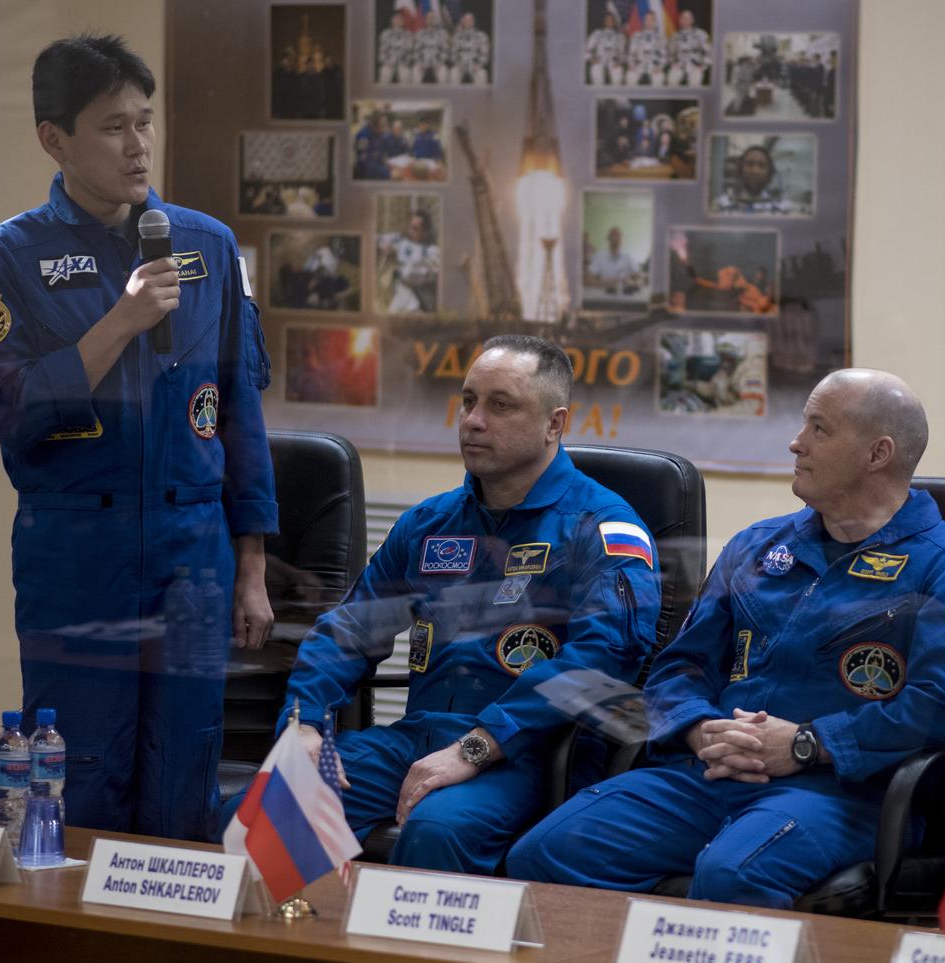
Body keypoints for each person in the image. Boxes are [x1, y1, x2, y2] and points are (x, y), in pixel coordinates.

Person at [509, 369, 945, 907]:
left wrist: (808, 744)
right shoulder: (757, 546)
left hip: (846, 792)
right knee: (544, 853)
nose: (796, 442)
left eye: (819, 428)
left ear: (877, 453)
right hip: (712, 771)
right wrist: (699, 729)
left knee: (733, 875)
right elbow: (680, 667)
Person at [0, 34, 277, 841]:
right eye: (112, 127)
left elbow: (239, 414)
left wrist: (251, 568)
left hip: (192, 548)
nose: (138, 145)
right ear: (54, 139)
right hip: (77, 548)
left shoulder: (206, 244)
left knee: (185, 764)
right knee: (81, 767)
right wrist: (122, 321)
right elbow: (17, 413)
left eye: (145, 121)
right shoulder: (3, 259)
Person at [232, 336, 661, 874]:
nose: (473, 421)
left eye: (500, 405)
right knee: (258, 816)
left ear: (555, 424)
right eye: (468, 401)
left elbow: (604, 659)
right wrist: (305, 720)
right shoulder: (429, 524)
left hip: (530, 753)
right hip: (419, 739)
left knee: (435, 830)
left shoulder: (600, 527)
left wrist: (477, 746)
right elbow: (350, 630)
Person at [378, 210, 441, 313]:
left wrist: (399, 262)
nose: (410, 231)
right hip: (401, 297)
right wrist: (384, 246)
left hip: (420, 305)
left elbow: (414, 274)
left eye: (415, 229)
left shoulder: (432, 251)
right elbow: (378, 239)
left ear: (425, 232)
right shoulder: (402, 240)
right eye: (410, 227)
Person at [715, 145, 793, 214]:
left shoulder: (782, 207)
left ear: (770, 173)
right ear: (740, 170)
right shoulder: (723, 204)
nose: (755, 171)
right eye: (750, 164)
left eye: (761, 165)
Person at [585, 226, 645, 298]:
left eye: (619, 236)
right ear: (608, 238)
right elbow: (588, 280)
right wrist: (609, 282)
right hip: (604, 296)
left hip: (626, 297)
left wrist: (633, 283)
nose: (616, 238)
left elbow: (641, 279)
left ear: (622, 239)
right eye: (613, 235)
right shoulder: (599, 256)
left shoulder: (628, 257)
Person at [666, 9, 711, 86]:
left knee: (695, 82)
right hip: (679, 66)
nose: (685, 21)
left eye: (687, 18)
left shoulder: (701, 34)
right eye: (683, 18)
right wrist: (672, 63)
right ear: (680, 20)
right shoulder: (675, 36)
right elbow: (670, 53)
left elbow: (709, 53)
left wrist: (703, 66)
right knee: (671, 80)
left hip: (695, 66)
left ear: (692, 20)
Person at [585, 10, 626, 86]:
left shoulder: (620, 36)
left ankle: (615, 93)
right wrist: (591, 59)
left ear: (614, 22)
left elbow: (622, 53)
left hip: (613, 60)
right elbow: (587, 49)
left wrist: (619, 62)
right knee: (595, 70)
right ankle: (599, 93)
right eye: (607, 20)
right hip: (599, 59)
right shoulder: (597, 33)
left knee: (618, 71)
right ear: (604, 22)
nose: (609, 22)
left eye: (611, 20)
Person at [625, 10, 666, 86]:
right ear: (644, 21)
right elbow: (631, 54)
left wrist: (659, 67)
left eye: (651, 20)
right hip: (638, 66)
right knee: (631, 76)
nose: (649, 22)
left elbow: (664, 55)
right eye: (647, 19)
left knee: (658, 78)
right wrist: (632, 65)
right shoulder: (637, 36)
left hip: (654, 66)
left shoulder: (660, 37)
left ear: (655, 22)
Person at [450, 12, 491, 84]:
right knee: (453, 72)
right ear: (463, 22)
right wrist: (457, 64)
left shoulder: (481, 35)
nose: (468, 22)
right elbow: (453, 53)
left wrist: (479, 64)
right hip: (461, 65)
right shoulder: (457, 36)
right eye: (466, 20)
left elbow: (485, 54)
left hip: (475, 65)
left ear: (473, 22)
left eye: (470, 20)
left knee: (482, 74)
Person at [412, 9, 452, 84]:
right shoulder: (420, 34)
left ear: (436, 20)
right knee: (415, 72)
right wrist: (420, 62)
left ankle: (441, 92)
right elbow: (416, 51)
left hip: (437, 63)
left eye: (432, 18)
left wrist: (440, 62)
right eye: (428, 18)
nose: (430, 20)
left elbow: (445, 50)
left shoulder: (442, 34)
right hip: (423, 63)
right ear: (425, 20)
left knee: (443, 73)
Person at [377, 10, 415, 85]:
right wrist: (386, 61)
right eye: (395, 19)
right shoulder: (385, 34)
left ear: (403, 22)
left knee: (405, 75)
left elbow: (410, 51)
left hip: (403, 62)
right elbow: (382, 50)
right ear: (391, 21)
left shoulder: (408, 34)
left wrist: (405, 62)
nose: (398, 21)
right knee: (384, 73)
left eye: (400, 19)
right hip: (389, 61)